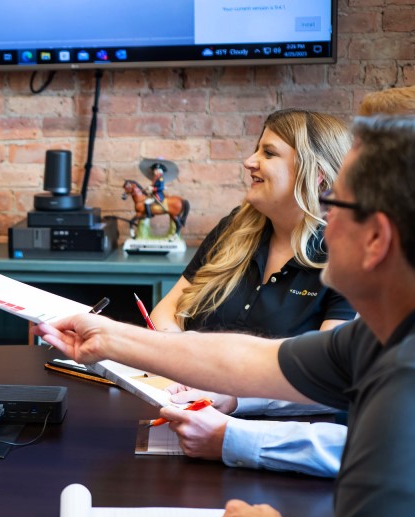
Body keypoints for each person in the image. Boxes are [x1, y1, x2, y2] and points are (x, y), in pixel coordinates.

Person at [36, 114, 415, 517]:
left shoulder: (414, 384)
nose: (324, 219)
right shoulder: (388, 333)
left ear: (377, 239)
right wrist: (107, 339)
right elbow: (256, 359)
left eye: (335, 204)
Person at [148, 109, 355, 477]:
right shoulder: (235, 228)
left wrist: (232, 396)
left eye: (269, 153)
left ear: (316, 175)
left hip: (285, 449)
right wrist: (177, 360)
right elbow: (168, 311)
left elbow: (327, 376)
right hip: (190, 417)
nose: (249, 162)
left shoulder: (344, 255)